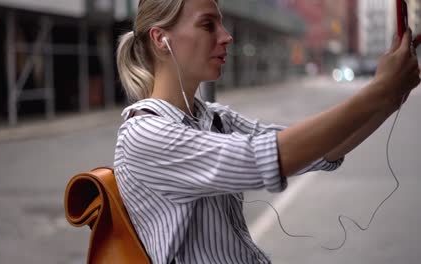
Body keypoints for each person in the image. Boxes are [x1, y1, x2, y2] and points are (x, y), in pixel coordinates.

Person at [114, 0, 420, 263]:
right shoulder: (144, 135)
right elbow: (270, 158)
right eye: (208, 25)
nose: (227, 37)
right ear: (160, 39)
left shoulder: (215, 118)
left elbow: (319, 150)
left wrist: (389, 98)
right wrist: (379, 91)